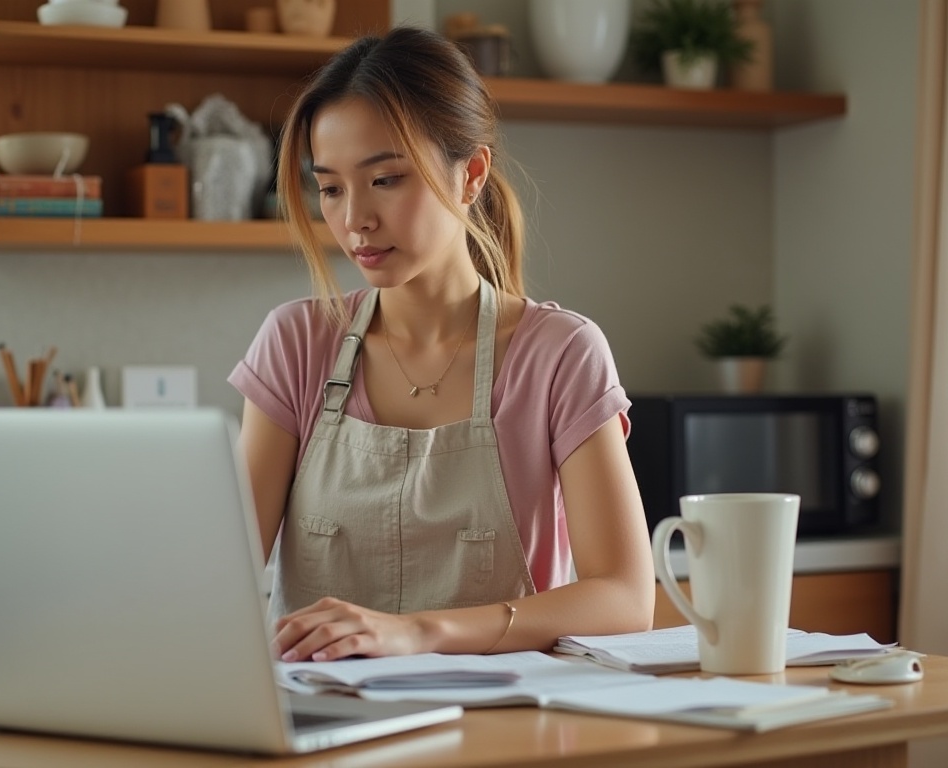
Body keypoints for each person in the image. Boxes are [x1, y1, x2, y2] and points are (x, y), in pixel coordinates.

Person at [228, 26, 654, 663]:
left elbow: (624, 599)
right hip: (323, 739)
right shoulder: (296, 344)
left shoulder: (560, 354)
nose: (354, 221)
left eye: (387, 179)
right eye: (332, 187)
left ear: (472, 174)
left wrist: (420, 631)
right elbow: (218, 579)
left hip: (507, 733)